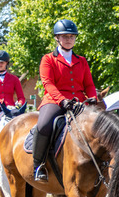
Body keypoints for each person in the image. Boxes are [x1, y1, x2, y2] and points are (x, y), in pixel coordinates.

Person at [32, 19, 97, 182]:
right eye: (64, 36)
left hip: (79, 102)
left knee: (101, 122)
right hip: (54, 100)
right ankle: (38, 165)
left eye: (71, 36)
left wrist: (93, 97)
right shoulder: (48, 59)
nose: (68, 39)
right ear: (57, 38)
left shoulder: (82, 60)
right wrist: (62, 100)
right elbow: (48, 83)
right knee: (44, 125)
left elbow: (89, 84)